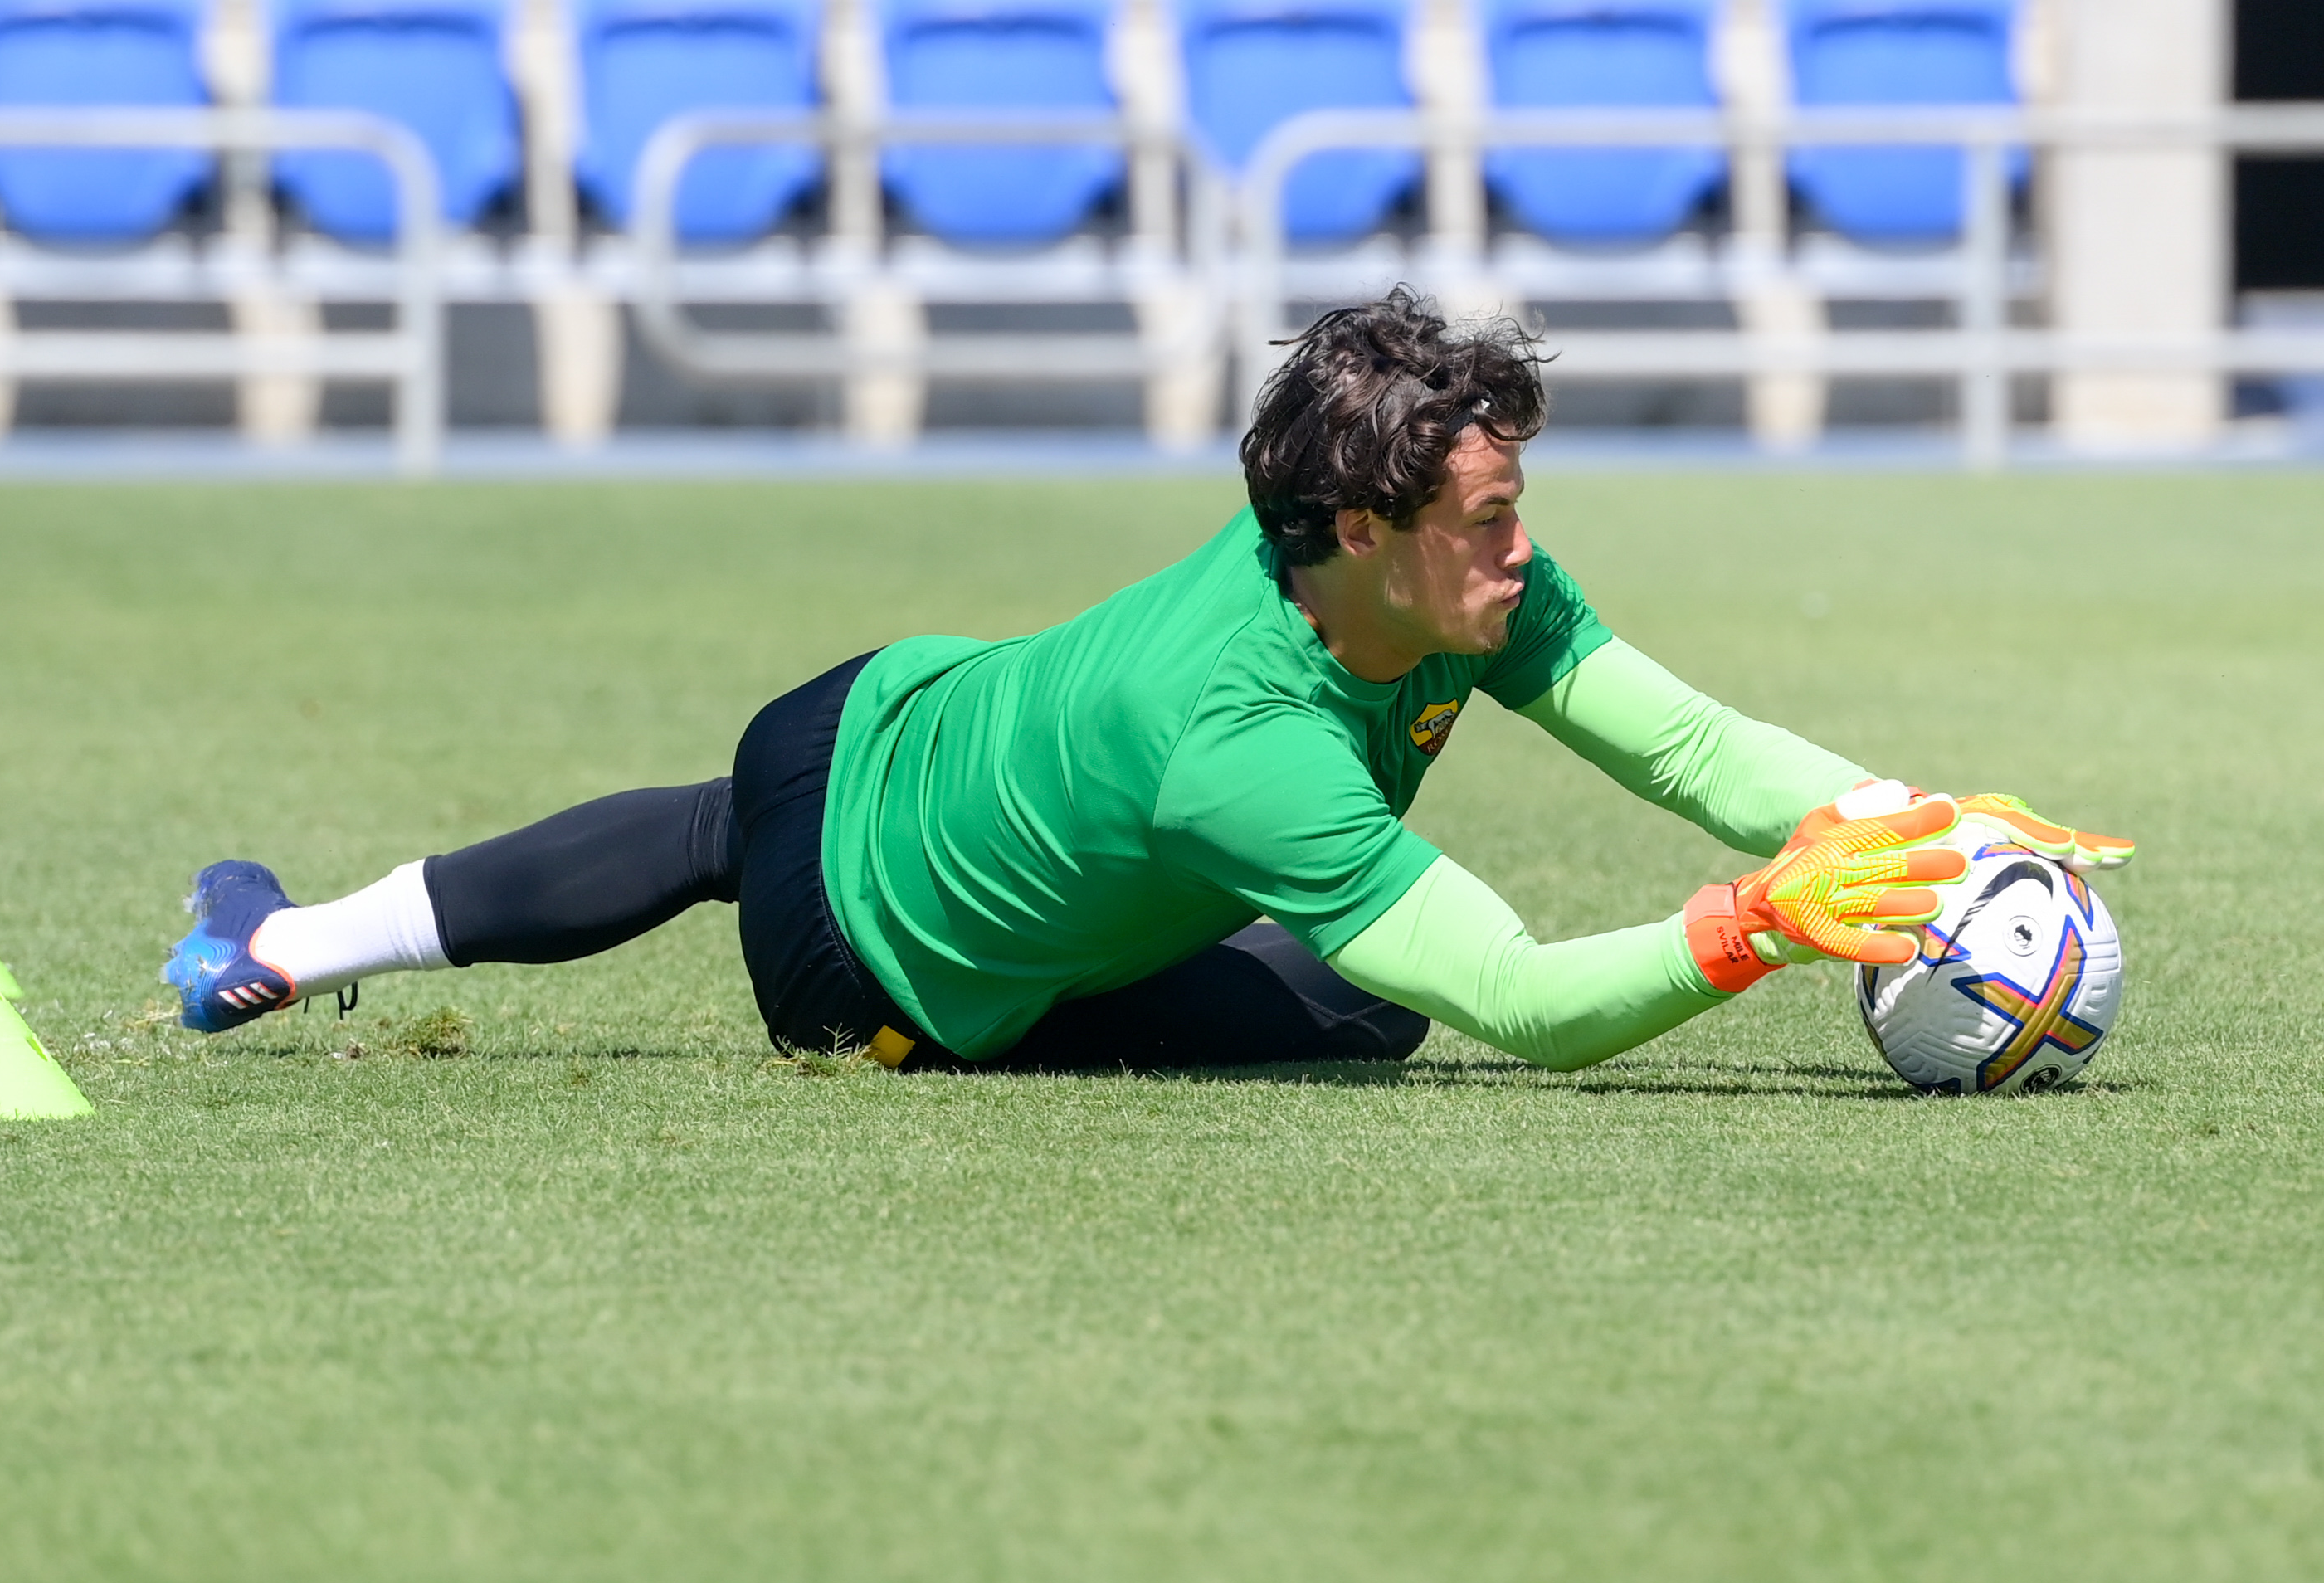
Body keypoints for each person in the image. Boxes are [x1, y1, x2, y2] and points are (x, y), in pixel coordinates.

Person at [163, 289, 2133, 1073]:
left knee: (702, 819)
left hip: (867, 711)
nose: (1522, 548)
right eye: (1487, 513)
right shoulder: (1245, 746)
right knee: (1379, 1015)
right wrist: (1758, 928)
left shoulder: (1431, 569)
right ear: (1368, 530)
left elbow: (1689, 740)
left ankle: (276, 939)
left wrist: (1911, 817)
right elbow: (1535, 1004)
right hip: (873, 961)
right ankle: (289, 938)